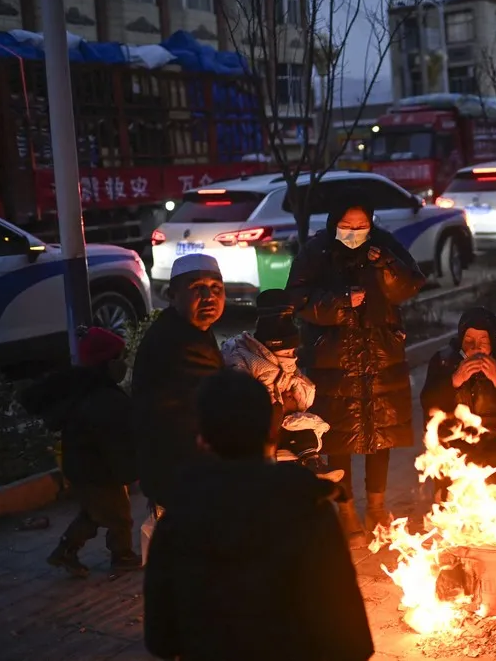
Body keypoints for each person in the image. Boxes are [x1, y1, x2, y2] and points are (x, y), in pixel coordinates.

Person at [143, 369, 373, 661]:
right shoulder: (308, 511)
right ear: (273, 432)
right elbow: (353, 642)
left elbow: (160, 639)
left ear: (201, 439)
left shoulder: (176, 522)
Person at [286, 203, 426, 548]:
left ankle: (377, 507)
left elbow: (408, 286)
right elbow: (298, 297)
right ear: (334, 223)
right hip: (334, 357)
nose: (354, 233)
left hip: (381, 353)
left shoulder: (385, 246)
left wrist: (386, 264)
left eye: (361, 225)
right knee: (338, 436)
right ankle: (346, 508)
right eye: (346, 226)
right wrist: (340, 302)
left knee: (381, 432)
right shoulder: (317, 251)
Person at [22, 327, 139, 578]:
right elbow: (115, 443)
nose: (124, 364)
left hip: (84, 469)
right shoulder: (103, 400)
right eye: (119, 358)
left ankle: (65, 550)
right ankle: (122, 555)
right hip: (98, 472)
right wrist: (131, 471)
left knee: (93, 513)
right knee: (119, 517)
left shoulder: (89, 392)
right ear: (105, 363)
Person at [133, 253, 225, 514]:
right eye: (197, 288)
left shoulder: (191, 330)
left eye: (216, 288)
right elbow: (220, 402)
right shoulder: (180, 343)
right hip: (181, 471)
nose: (209, 296)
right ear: (172, 295)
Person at [221, 289, 343, 482]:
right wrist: (280, 405)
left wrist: (296, 399)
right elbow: (247, 398)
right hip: (263, 430)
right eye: (287, 352)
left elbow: (302, 391)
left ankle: (315, 464)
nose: (292, 356)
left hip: (286, 422)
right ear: (270, 347)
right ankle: (311, 464)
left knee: (304, 430)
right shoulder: (245, 360)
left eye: (294, 351)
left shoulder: (287, 365)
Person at [420, 307, 496, 492]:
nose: (475, 348)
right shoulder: (443, 361)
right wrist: (454, 380)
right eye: (469, 341)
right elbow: (428, 404)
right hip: (455, 449)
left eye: (483, 341)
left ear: (493, 341)